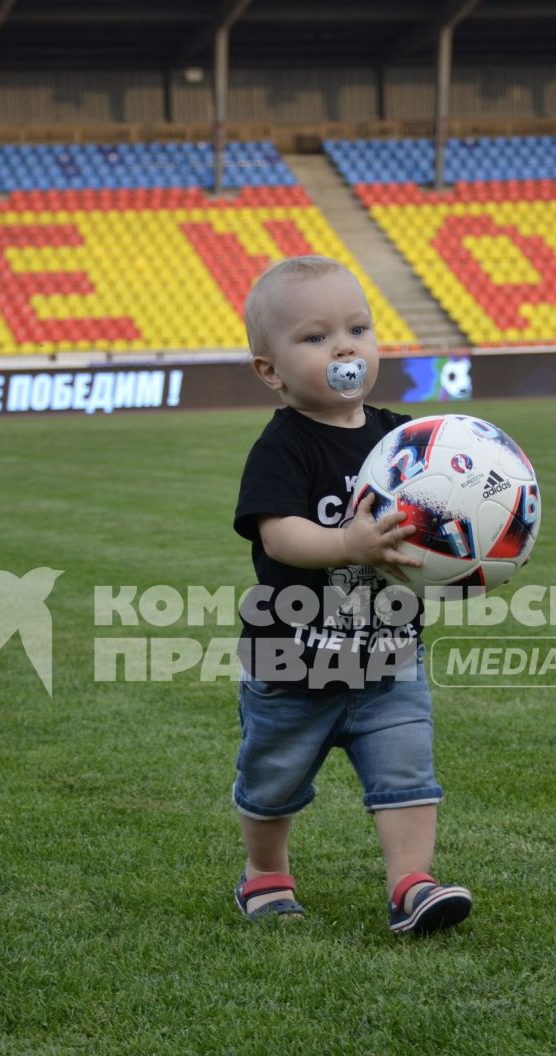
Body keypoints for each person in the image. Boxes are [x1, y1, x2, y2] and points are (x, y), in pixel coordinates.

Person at [228, 255, 472, 935]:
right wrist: (348, 545)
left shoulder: (404, 440)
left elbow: (433, 521)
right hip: (292, 661)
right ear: (269, 370)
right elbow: (280, 536)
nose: (343, 347)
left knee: (407, 769)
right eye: (314, 337)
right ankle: (266, 873)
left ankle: (411, 884)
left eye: (358, 328)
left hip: (389, 656)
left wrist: (457, 558)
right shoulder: (283, 448)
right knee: (272, 781)